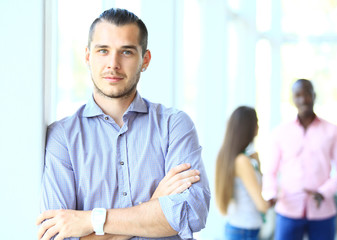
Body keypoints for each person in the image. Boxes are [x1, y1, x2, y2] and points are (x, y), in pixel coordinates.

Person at [36, 8, 210, 240]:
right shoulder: (62, 137)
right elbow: (58, 235)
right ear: (88, 57)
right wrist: (154, 205)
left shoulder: (174, 125)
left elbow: (191, 214)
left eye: (126, 52)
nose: (113, 64)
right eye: (103, 51)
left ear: (145, 60)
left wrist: (89, 221)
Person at [262, 79, 337, 240]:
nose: (303, 99)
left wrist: (324, 192)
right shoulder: (280, 132)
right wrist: (270, 193)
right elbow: (270, 171)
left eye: (307, 94)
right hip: (288, 210)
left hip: (323, 211)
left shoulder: (333, 131)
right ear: (293, 99)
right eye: (298, 95)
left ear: (314, 96)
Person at [215, 106, 271, 240]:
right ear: (248, 128)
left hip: (239, 227)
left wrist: (258, 166)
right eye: (256, 122)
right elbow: (261, 205)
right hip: (245, 231)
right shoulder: (242, 161)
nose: (258, 127)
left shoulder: (230, 156)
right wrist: (274, 201)